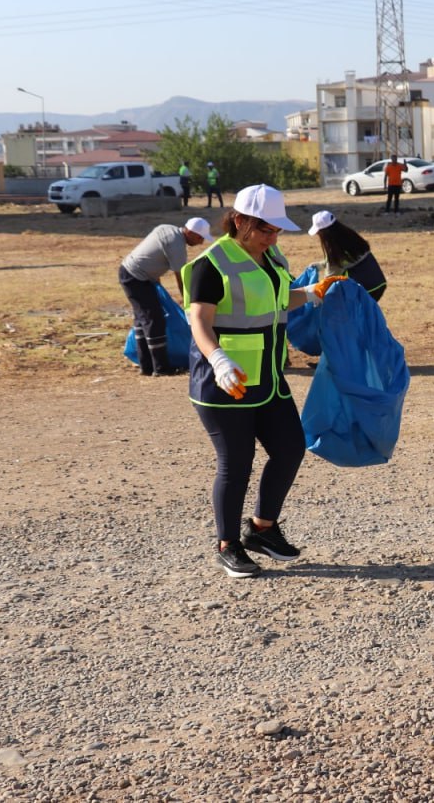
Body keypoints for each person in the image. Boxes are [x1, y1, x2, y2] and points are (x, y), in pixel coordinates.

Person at [183, 184, 343, 579]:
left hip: (267, 379)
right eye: (266, 229)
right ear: (240, 221)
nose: (274, 237)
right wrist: (219, 360)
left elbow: (274, 300)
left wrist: (309, 293)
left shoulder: (271, 257)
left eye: (277, 230)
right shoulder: (211, 264)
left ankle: (261, 530)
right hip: (224, 383)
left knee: (290, 448)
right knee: (236, 464)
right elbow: (199, 321)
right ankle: (228, 545)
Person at [119, 216, 213, 377]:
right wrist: (188, 300)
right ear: (190, 232)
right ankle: (161, 368)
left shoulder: (167, 228)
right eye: (199, 238)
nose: (200, 243)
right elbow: (181, 276)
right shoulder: (177, 244)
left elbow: (152, 255)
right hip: (136, 278)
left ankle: (146, 366)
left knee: (142, 321)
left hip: (136, 275)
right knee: (154, 320)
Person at [307, 210, 387, 301]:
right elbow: (348, 260)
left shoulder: (335, 250)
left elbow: (329, 279)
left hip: (365, 289)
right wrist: (322, 264)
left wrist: (317, 293)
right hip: (378, 283)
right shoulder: (350, 237)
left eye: (318, 232)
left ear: (324, 233)